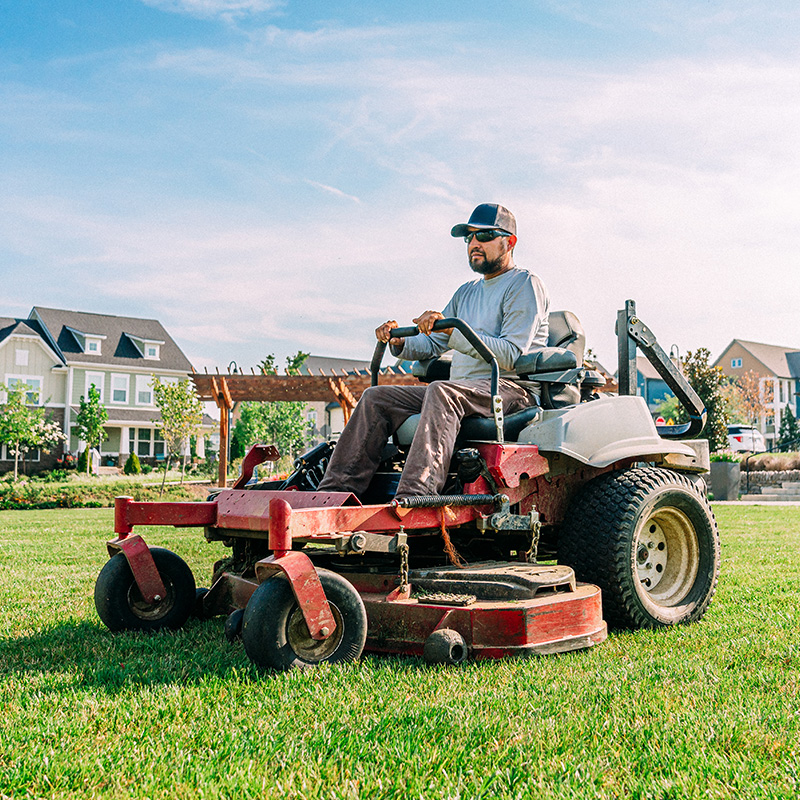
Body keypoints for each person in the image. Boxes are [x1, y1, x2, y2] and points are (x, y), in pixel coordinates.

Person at [318, 203, 550, 500]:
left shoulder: (524, 284)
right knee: (376, 397)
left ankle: (415, 498)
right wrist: (400, 343)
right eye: (469, 238)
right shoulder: (466, 292)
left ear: (510, 241)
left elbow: (510, 355)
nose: (474, 244)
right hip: (464, 391)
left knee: (442, 391)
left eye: (485, 236)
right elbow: (434, 345)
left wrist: (451, 331)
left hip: (511, 389)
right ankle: (333, 497)